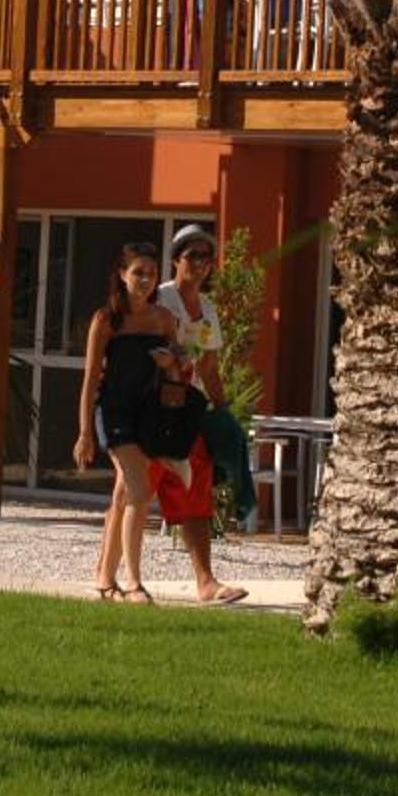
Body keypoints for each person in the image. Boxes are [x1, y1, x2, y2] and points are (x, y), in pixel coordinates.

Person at [74, 241, 191, 603]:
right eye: (138, 272)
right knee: (140, 491)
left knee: (124, 493)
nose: (145, 279)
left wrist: (171, 363)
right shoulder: (106, 319)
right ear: (122, 275)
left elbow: (179, 370)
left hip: (147, 415)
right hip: (113, 413)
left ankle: (104, 578)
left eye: (151, 273)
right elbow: (90, 378)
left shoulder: (164, 319)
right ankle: (134, 582)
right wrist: (84, 433)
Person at [153, 226, 250, 605]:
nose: (200, 263)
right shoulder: (159, 298)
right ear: (175, 259)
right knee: (134, 493)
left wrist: (224, 413)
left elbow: (209, 368)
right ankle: (112, 576)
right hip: (153, 409)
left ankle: (206, 582)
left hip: (188, 412)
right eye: (192, 255)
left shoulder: (207, 308)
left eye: (207, 257)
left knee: (196, 492)